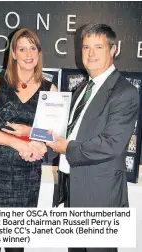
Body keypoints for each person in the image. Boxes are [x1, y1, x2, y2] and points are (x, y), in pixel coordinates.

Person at [47, 23, 139, 252]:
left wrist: (65, 148)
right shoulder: (81, 90)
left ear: (114, 49)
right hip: (73, 191)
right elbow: (69, 131)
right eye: (86, 47)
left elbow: (111, 144)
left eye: (98, 47)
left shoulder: (124, 92)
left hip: (100, 197)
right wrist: (38, 135)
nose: (90, 54)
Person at [0, 28, 57, 252]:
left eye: (33, 48)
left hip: (27, 175)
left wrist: (35, 137)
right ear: (13, 54)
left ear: (39, 53)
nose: (28, 53)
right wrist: (17, 142)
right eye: (22, 48)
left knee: (16, 247)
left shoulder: (51, 89)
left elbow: (53, 136)